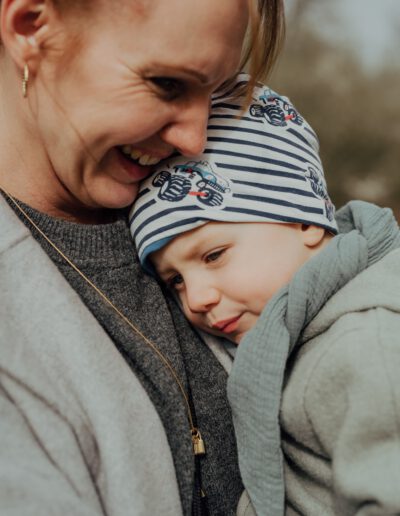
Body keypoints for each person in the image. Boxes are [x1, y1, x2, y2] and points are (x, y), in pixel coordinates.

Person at [0, 1, 286, 515]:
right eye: (167, 85)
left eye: (218, 89)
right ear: (29, 26)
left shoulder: (238, 206)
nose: (195, 141)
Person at [130, 75, 400, 516]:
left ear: (306, 222)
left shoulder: (367, 345)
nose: (195, 298)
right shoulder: (290, 328)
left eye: (214, 255)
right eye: (174, 280)